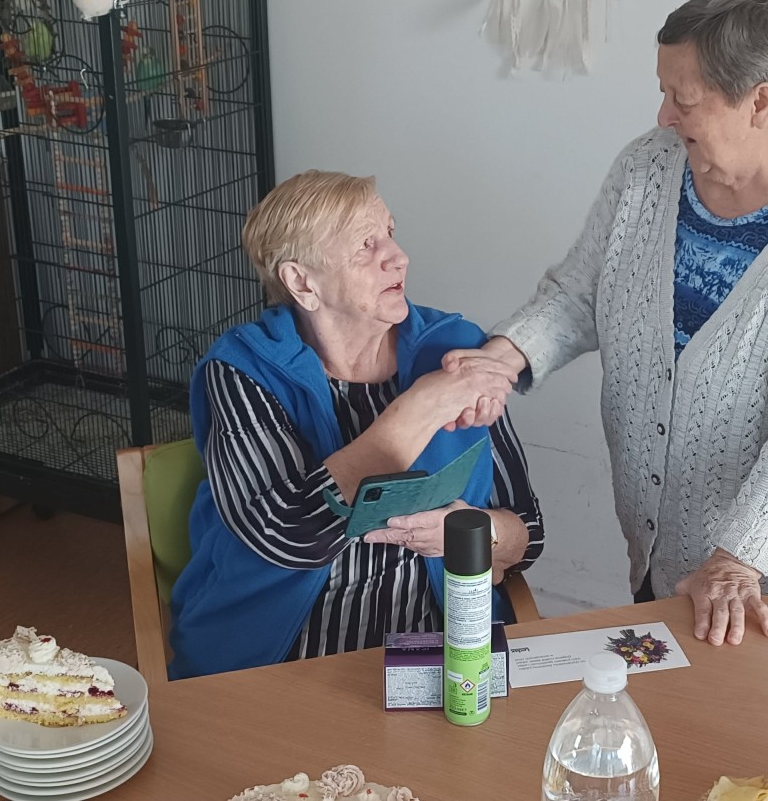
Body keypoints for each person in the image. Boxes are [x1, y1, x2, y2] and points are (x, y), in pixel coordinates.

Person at [448, 0, 768, 646]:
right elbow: (581, 291)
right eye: (663, 91)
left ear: (759, 101)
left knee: (745, 705)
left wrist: (739, 558)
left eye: (683, 100)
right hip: (662, 532)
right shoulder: (648, 167)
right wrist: (504, 356)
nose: (663, 116)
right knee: (664, 682)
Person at [167, 170, 545, 678]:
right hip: (278, 660)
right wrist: (422, 406)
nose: (399, 256)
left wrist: (472, 535)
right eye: (366, 245)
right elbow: (288, 537)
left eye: (390, 232)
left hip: (436, 649)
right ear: (302, 282)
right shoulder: (242, 370)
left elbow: (528, 531)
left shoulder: (453, 350)